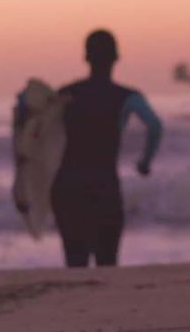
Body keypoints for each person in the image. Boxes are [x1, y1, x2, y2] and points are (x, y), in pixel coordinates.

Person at [47, 30, 162, 267]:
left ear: (86, 58)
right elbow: (155, 126)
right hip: (104, 187)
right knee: (107, 266)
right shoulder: (128, 96)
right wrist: (145, 163)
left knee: (75, 265)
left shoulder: (65, 94)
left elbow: (38, 133)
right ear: (116, 58)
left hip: (68, 187)